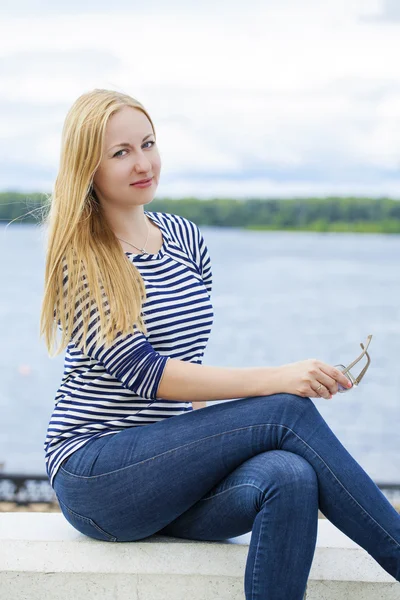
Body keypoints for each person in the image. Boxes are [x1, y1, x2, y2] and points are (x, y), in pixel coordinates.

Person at [40, 88, 400, 599]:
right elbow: (152, 375)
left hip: (169, 474)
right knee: (284, 411)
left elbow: (189, 370)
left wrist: (216, 438)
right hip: (98, 476)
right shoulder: (83, 261)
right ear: (88, 168)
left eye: (148, 143)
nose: (142, 162)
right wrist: (276, 382)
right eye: (120, 153)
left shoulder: (185, 239)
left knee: (290, 475)